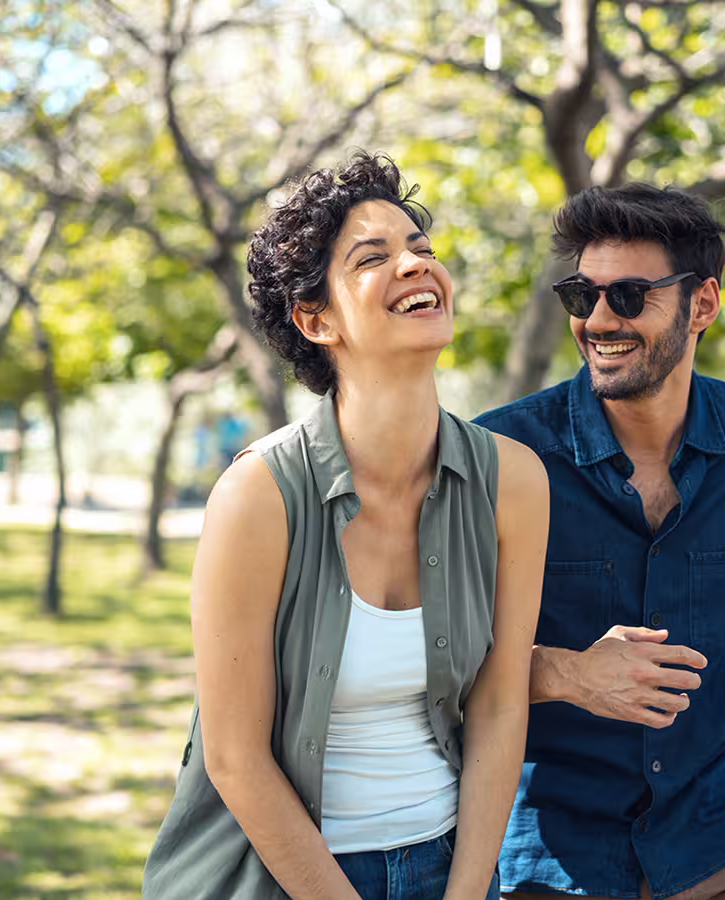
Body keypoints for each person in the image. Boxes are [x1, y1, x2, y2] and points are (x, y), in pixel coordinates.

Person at [141, 151, 549, 900]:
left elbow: (498, 705)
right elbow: (234, 757)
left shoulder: (514, 482)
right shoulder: (258, 495)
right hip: (277, 877)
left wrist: (465, 893)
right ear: (315, 318)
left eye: (421, 250)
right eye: (374, 257)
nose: (414, 266)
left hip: (446, 865)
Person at [475, 184, 725, 900]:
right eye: (580, 295)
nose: (596, 320)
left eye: (627, 296)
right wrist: (566, 674)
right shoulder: (500, 453)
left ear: (703, 305)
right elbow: (440, 657)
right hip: (553, 859)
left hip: (722, 839)